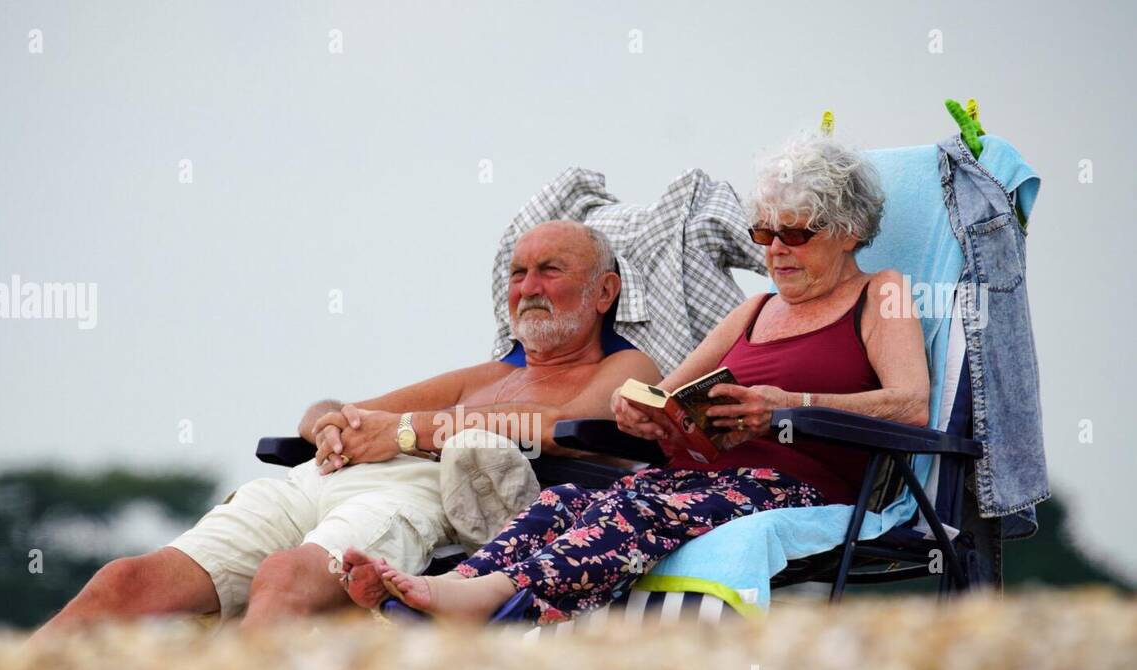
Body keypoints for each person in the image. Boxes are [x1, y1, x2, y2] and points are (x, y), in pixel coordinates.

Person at [342, 134, 930, 624]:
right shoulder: (752, 311)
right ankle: (454, 588)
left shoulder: (882, 294)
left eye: (794, 234)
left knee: (642, 513)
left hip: (799, 486)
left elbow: (912, 407)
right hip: (701, 480)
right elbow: (663, 392)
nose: (774, 251)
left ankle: (489, 599)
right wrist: (639, 409)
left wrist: (787, 406)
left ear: (849, 231)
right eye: (763, 234)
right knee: (567, 499)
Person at [32, 221, 660, 636]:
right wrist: (326, 422)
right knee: (124, 581)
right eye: (518, 275)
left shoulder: (626, 365)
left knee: (283, 577)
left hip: (416, 495)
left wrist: (409, 433)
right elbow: (345, 409)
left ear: (605, 291)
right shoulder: (484, 374)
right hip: (320, 478)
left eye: (550, 271)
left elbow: (562, 428)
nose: (528, 288)